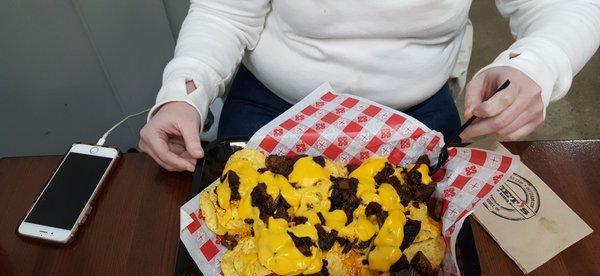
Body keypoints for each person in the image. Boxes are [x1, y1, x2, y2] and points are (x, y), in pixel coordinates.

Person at [139, 0, 600, 172]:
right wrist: (184, 91)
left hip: (417, 108)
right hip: (273, 104)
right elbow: (225, 12)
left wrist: (539, 64)